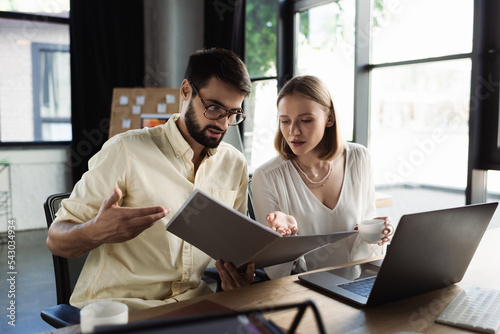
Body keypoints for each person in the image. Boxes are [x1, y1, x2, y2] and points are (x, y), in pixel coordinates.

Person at [46, 48, 255, 311]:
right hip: (119, 309)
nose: (223, 124)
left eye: (233, 113)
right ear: (186, 91)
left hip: (193, 305)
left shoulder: (234, 163)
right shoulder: (125, 150)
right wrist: (95, 231)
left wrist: (238, 275)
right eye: (214, 107)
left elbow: (233, 247)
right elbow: (56, 239)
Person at [251, 75, 392, 279]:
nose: (293, 131)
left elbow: (367, 226)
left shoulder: (359, 158)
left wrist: (379, 233)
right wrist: (287, 239)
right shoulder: (266, 177)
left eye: (306, 120)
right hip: (302, 293)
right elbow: (275, 272)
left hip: (356, 285)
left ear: (330, 119)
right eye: (284, 121)